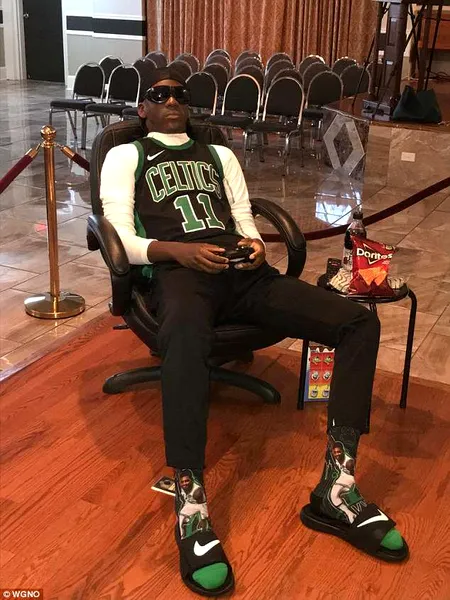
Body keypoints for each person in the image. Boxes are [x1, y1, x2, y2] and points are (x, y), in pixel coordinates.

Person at [100, 67, 408, 596]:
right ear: (143, 109)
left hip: (242, 274)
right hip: (178, 275)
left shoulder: (219, 155)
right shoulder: (127, 155)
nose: (172, 100)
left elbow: (243, 218)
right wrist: (178, 252)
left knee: (358, 320)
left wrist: (255, 245)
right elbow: (116, 233)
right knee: (185, 339)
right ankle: (191, 506)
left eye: (180, 94)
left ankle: (337, 489)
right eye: (160, 94)